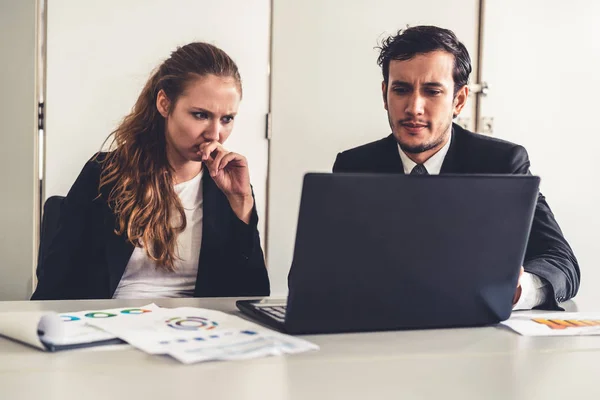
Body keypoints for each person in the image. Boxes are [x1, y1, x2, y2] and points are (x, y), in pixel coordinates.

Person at [332, 25, 579, 310]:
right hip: (378, 332)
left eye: (432, 91)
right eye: (401, 90)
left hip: (475, 338)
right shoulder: (354, 166)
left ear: (458, 100)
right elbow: (319, 269)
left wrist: (519, 290)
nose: (414, 107)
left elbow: (562, 262)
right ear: (385, 94)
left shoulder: (501, 164)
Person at [32, 42, 270, 300]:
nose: (215, 134)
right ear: (164, 104)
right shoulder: (104, 174)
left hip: (198, 329)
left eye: (227, 119)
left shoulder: (226, 186)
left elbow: (253, 297)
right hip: (114, 325)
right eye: (200, 115)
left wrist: (242, 202)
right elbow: (53, 290)